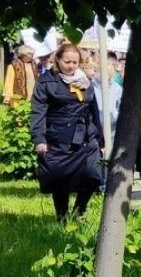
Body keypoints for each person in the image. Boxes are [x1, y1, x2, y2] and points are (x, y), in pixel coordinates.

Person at [29, 42, 104, 222]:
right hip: (59, 138)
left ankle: (79, 210)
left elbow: (93, 110)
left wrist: (100, 138)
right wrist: (39, 139)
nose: (71, 66)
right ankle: (62, 216)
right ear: (58, 60)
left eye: (75, 62)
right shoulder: (46, 82)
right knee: (60, 180)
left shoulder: (85, 81)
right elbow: (38, 112)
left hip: (86, 137)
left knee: (93, 174)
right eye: (67, 62)